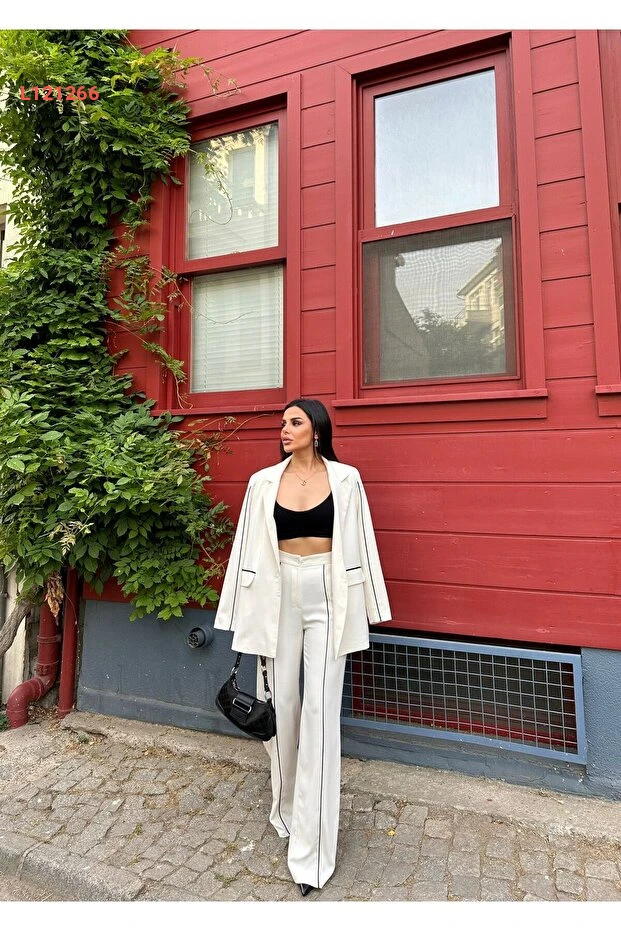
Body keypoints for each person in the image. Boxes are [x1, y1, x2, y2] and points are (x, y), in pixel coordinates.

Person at [214, 398, 391, 896]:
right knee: (283, 707)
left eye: (295, 421)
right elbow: (246, 547)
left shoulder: (347, 479)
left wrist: (371, 605)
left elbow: (362, 541)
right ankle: (287, 807)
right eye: (283, 422)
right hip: (277, 594)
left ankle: (312, 853)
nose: (285, 429)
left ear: (317, 429)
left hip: (329, 593)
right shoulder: (262, 482)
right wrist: (237, 612)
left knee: (319, 714)